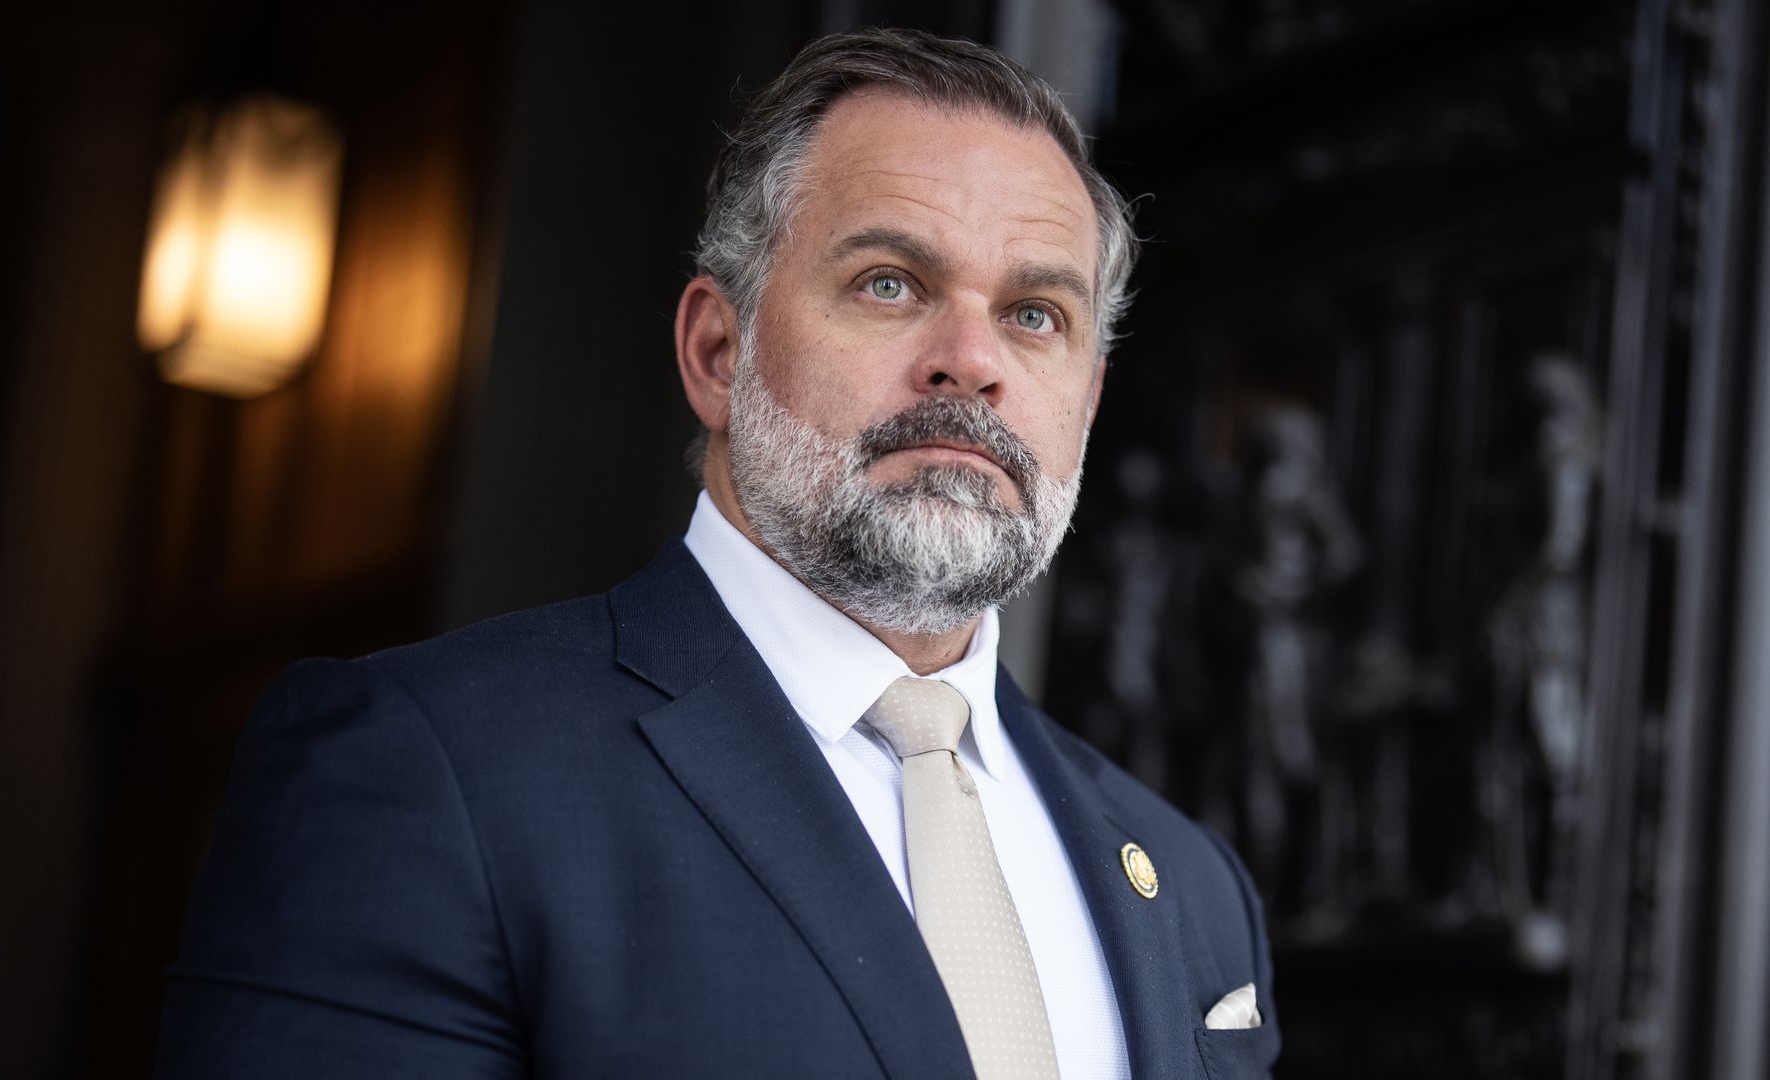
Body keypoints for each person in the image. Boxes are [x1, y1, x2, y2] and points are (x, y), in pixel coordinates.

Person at [155, 28, 1278, 1080]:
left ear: (1086, 401)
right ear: (714, 350)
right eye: (891, 283)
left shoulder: (1190, 883)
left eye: (1036, 314)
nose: (972, 361)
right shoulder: (425, 768)